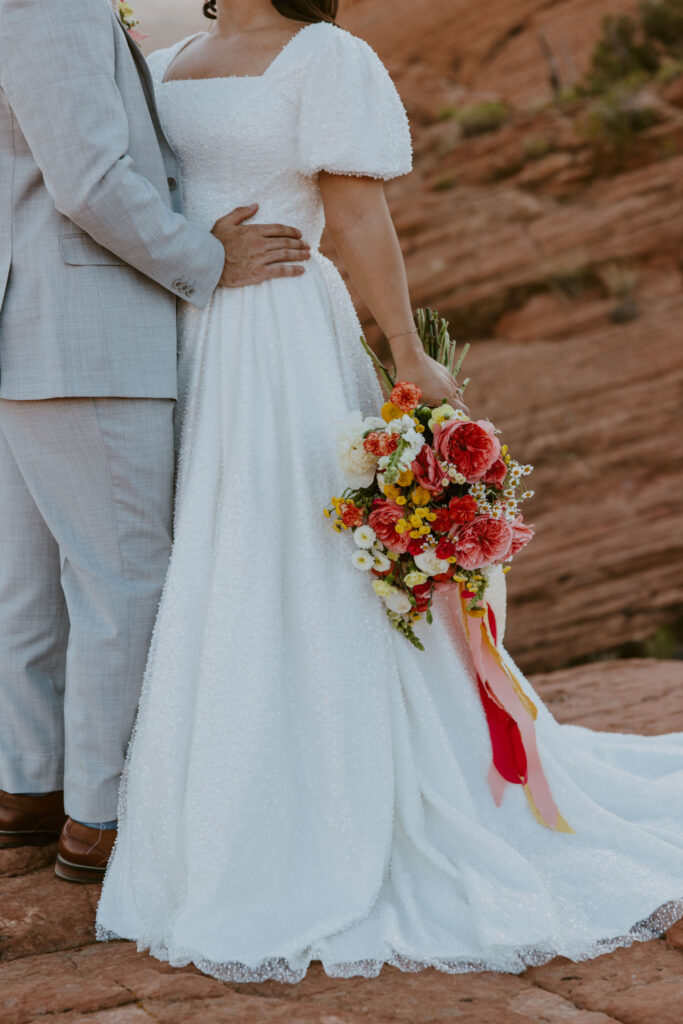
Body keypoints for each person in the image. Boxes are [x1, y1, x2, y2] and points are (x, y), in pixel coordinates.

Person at [96, 0, 683, 982]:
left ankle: (322, 806)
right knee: (207, 561)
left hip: (279, 338)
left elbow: (359, 214)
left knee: (286, 556)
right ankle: (212, 809)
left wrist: (406, 351)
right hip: (188, 326)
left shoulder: (324, 54)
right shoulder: (178, 52)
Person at [0, 0, 309, 882]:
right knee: (125, 577)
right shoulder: (50, 8)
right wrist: (203, 260)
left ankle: (28, 789)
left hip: (33, 330)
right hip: (86, 330)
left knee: (29, 585)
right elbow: (89, 180)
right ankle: (104, 817)